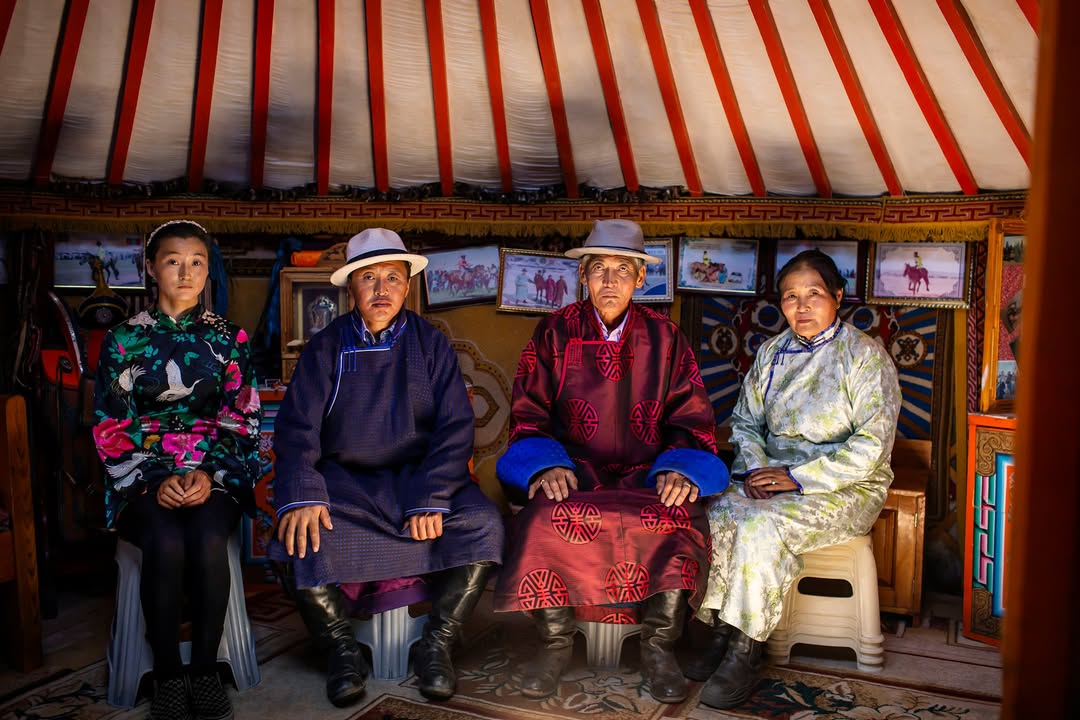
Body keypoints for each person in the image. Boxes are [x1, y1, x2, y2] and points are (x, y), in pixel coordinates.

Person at [495, 219, 729, 704]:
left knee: (677, 516)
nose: (609, 281)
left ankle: (658, 646)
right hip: (575, 473)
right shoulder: (554, 332)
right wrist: (545, 465)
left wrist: (678, 469)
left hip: (649, 473)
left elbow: (692, 417)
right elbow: (527, 413)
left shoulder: (666, 338)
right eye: (598, 269)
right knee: (543, 516)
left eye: (622, 270)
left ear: (641, 279)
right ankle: (555, 645)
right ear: (582, 275)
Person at [268, 228, 503, 707]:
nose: (381, 290)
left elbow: (455, 429)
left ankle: (437, 643)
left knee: (484, 525)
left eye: (392, 278)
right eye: (368, 278)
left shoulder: (431, 345)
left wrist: (431, 497)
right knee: (298, 534)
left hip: (420, 480)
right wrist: (305, 492)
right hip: (346, 486)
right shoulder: (325, 347)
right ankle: (340, 648)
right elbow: (297, 429)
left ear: (407, 286)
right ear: (349, 288)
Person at [692, 249, 901, 709]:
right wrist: (756, 469)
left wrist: (795, 477)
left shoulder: (865, 358)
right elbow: (745, 423)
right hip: (770, 477)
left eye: (813, 295)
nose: (801, 307)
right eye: (790, 297)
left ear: (838, 297)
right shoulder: (771, 354)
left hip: (844, 486)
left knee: (761, 525)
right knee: (718, 508)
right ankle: (720, 629)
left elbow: (871, 448)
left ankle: (748, 648)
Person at [93, 220, 261, 720]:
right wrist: (153, 479)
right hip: (141, 479)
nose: (186, 273)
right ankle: (169, 675)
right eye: (172, 261)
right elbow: (110, 425)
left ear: (208, 270)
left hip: (216, 475)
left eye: (197, 262)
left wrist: (209, 473)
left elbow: (243, 417)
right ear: (151, 268)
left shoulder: (229, 338)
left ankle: (206, 672)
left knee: (209, 538)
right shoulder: (123, 340)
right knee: (165, 542)